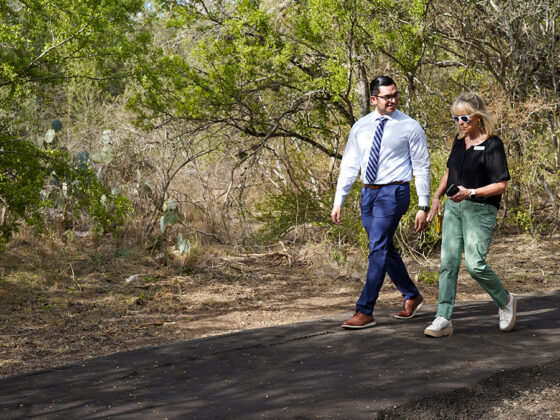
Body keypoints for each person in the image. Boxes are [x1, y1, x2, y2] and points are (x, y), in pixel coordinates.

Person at [331, 75, 431, 329]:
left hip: (395, 192)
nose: (393, 100)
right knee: (383, 246)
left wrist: (423, 204)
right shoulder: (361, 126)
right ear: (374, 99)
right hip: (369, 193)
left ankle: (365, 310)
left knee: (377, 247)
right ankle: (412, 295)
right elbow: (350, 164)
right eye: (387, 96)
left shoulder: (410, 126)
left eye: (395, 95)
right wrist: (338, 199)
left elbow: (422, 166)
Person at [424, 92, 516, 337]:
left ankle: (505, 300)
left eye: (465, 117)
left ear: (478, 117)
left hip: (481, 208)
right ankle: (443, 318)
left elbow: (501, 185)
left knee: (475, 265)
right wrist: (436, 197)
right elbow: (449, 171)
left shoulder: (493, 143)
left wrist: (471, 192)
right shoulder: (458, 142)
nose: (461, 123)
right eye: (456, 118)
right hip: (454, 208)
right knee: (448, 263)